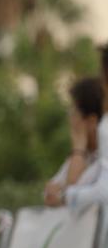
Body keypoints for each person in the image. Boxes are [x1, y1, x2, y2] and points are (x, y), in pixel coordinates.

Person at [45, 77, 105, 209]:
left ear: (91, 121)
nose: (70, 120)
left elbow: (72, 193)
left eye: (73, 112)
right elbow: (49, 195)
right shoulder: (84, 155)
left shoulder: (102, 157)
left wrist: (78, 148)